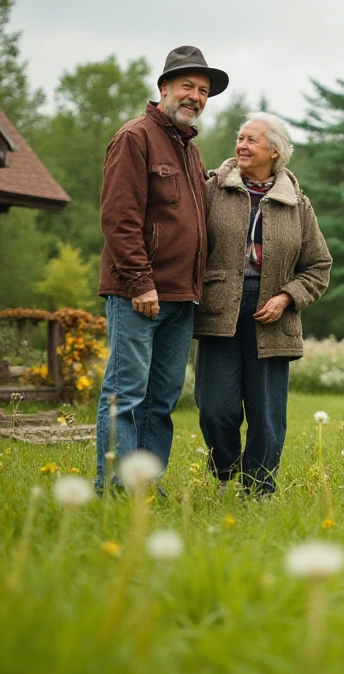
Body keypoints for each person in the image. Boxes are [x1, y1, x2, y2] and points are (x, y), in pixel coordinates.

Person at [94, 46, 229, 493]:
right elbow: (119, 219)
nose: (195, 96)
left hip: (181, 297)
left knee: (161, 400)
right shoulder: (135, 137)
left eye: (204, 91)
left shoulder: (190, 152)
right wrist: (140, 283)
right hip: (140, 294)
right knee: (126, 395)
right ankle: (114, 486)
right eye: (187, 86)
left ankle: (144, 484)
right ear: (164, 88)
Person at [194, 112, 332, 495]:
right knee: (214, 407)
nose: (242, 145)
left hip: (273, 318)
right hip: (219, 310)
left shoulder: (296, 204)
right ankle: (225, 474)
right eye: (240, 138)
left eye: (252, 140)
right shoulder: (211, 189)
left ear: (275, 151)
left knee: (267, 415)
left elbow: (319, 266)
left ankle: (258, 489)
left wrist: (288, 297)